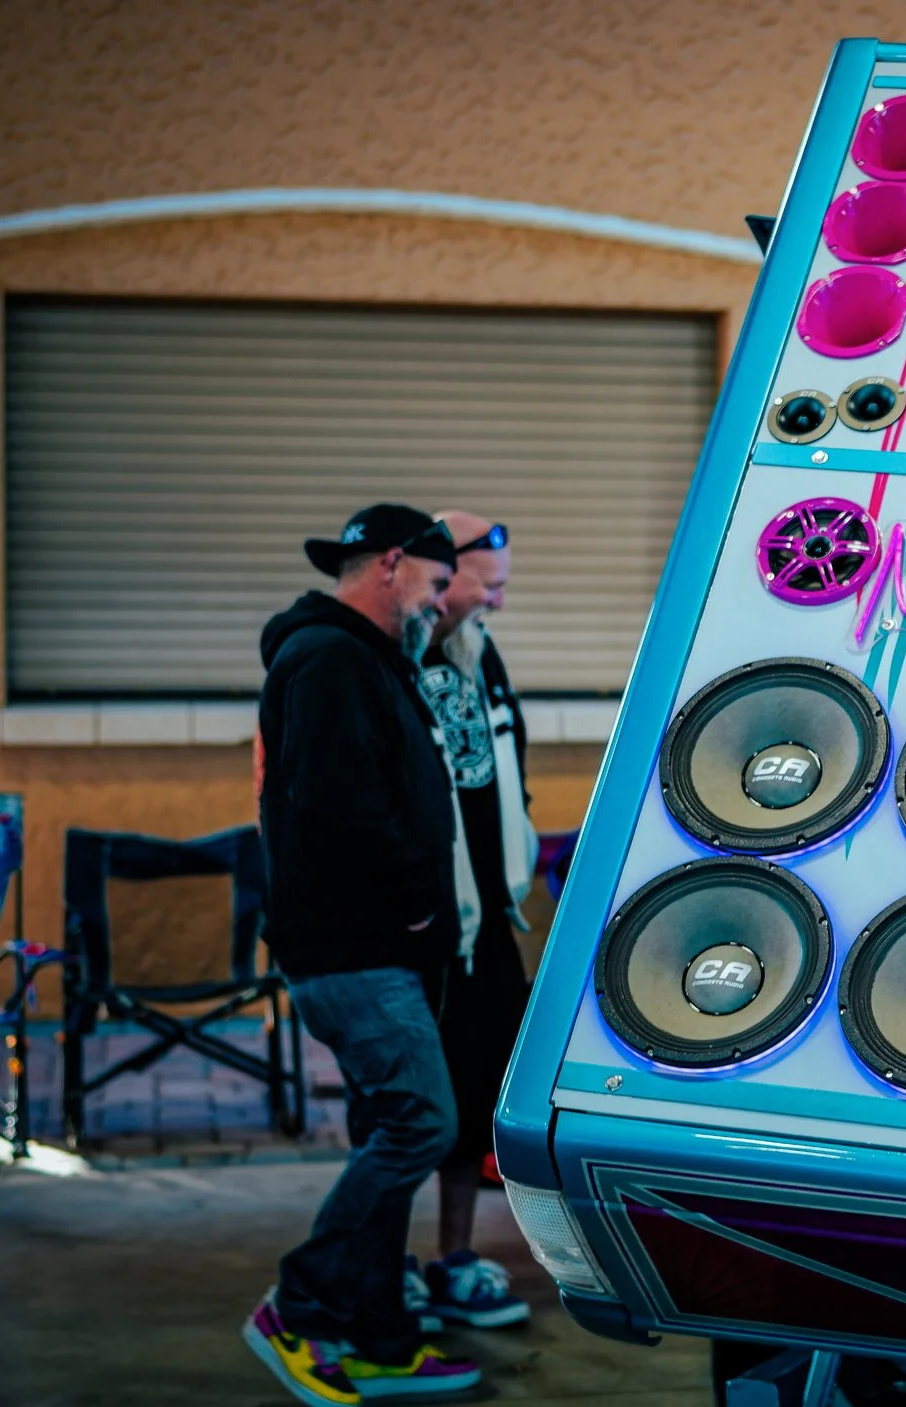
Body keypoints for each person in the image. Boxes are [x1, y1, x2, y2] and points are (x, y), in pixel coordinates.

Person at [245, 505, 484, 1405]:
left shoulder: (362, 658)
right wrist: (415, 899)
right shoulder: (329, 659)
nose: (441, 602)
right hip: (354, 949)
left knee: (393, 1128)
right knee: (422, 1124)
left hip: (376, 944)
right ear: (390, 564)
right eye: (435, 582)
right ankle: (301, 1305)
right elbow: (338, 807)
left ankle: (378, 1335)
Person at [401, 511, 539, 1332]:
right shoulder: (392, 659)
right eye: (491, 587)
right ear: (442, 576)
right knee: (407, 1108)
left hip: (486, 918)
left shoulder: (479, 653)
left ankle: (453, 1255)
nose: (499, 603)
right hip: (419, 929)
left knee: (476, 1089)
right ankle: (385, 1265)